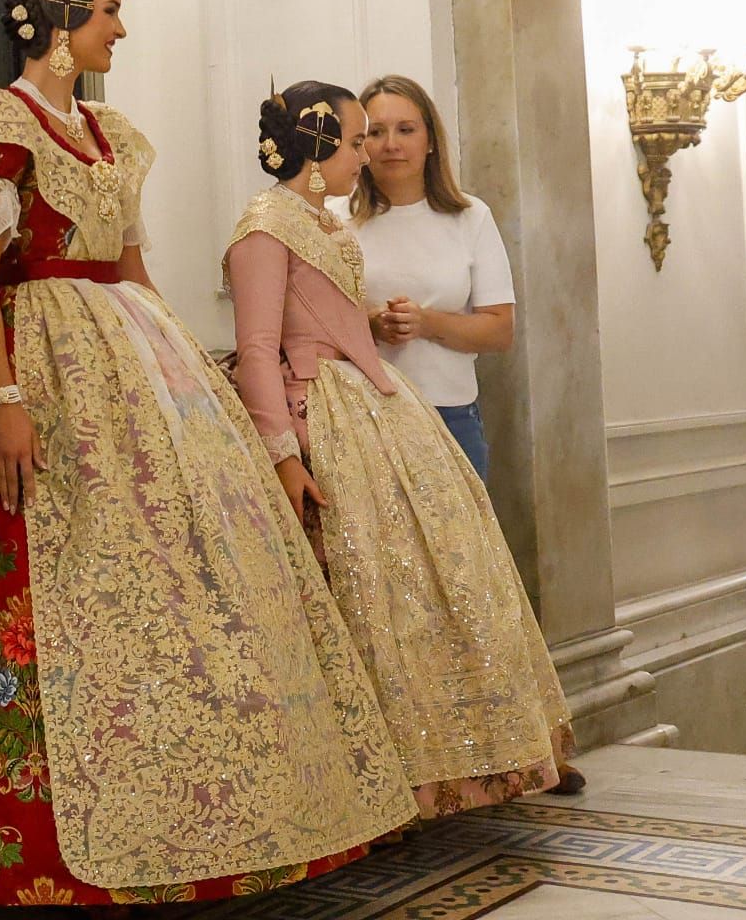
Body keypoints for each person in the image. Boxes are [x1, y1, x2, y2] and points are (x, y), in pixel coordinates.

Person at [0, 0, 415, 908]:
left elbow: (133, 271)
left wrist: (191, 381)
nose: (121, 27)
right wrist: (4, 399)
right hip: (33, 362)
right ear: (59, 21)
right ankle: (33, 850)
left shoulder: (111, 132)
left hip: (127, 359)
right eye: (108, 10)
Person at [226, 79, 578, 817]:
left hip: (388, 410)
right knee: (371, 602)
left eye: (387, 134)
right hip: (327, 416)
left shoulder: (321, 224)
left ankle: (475, 757)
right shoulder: (270, 225)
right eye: (358, 140)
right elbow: (258, 348)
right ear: (320, 145)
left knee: (435, 590)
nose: (370, 154)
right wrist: (284, 451)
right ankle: (384, 782)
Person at [351, 75, 513, 482]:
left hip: (450, 415)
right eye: (376, 132)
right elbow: (307, 324)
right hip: (362, 414)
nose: (391, 144)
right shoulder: (334, 218)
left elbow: (500, 330)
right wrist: (370, 324)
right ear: (359, 143)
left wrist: (426, 323)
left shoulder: (470, 216)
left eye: (406, 130)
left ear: (430, 140)